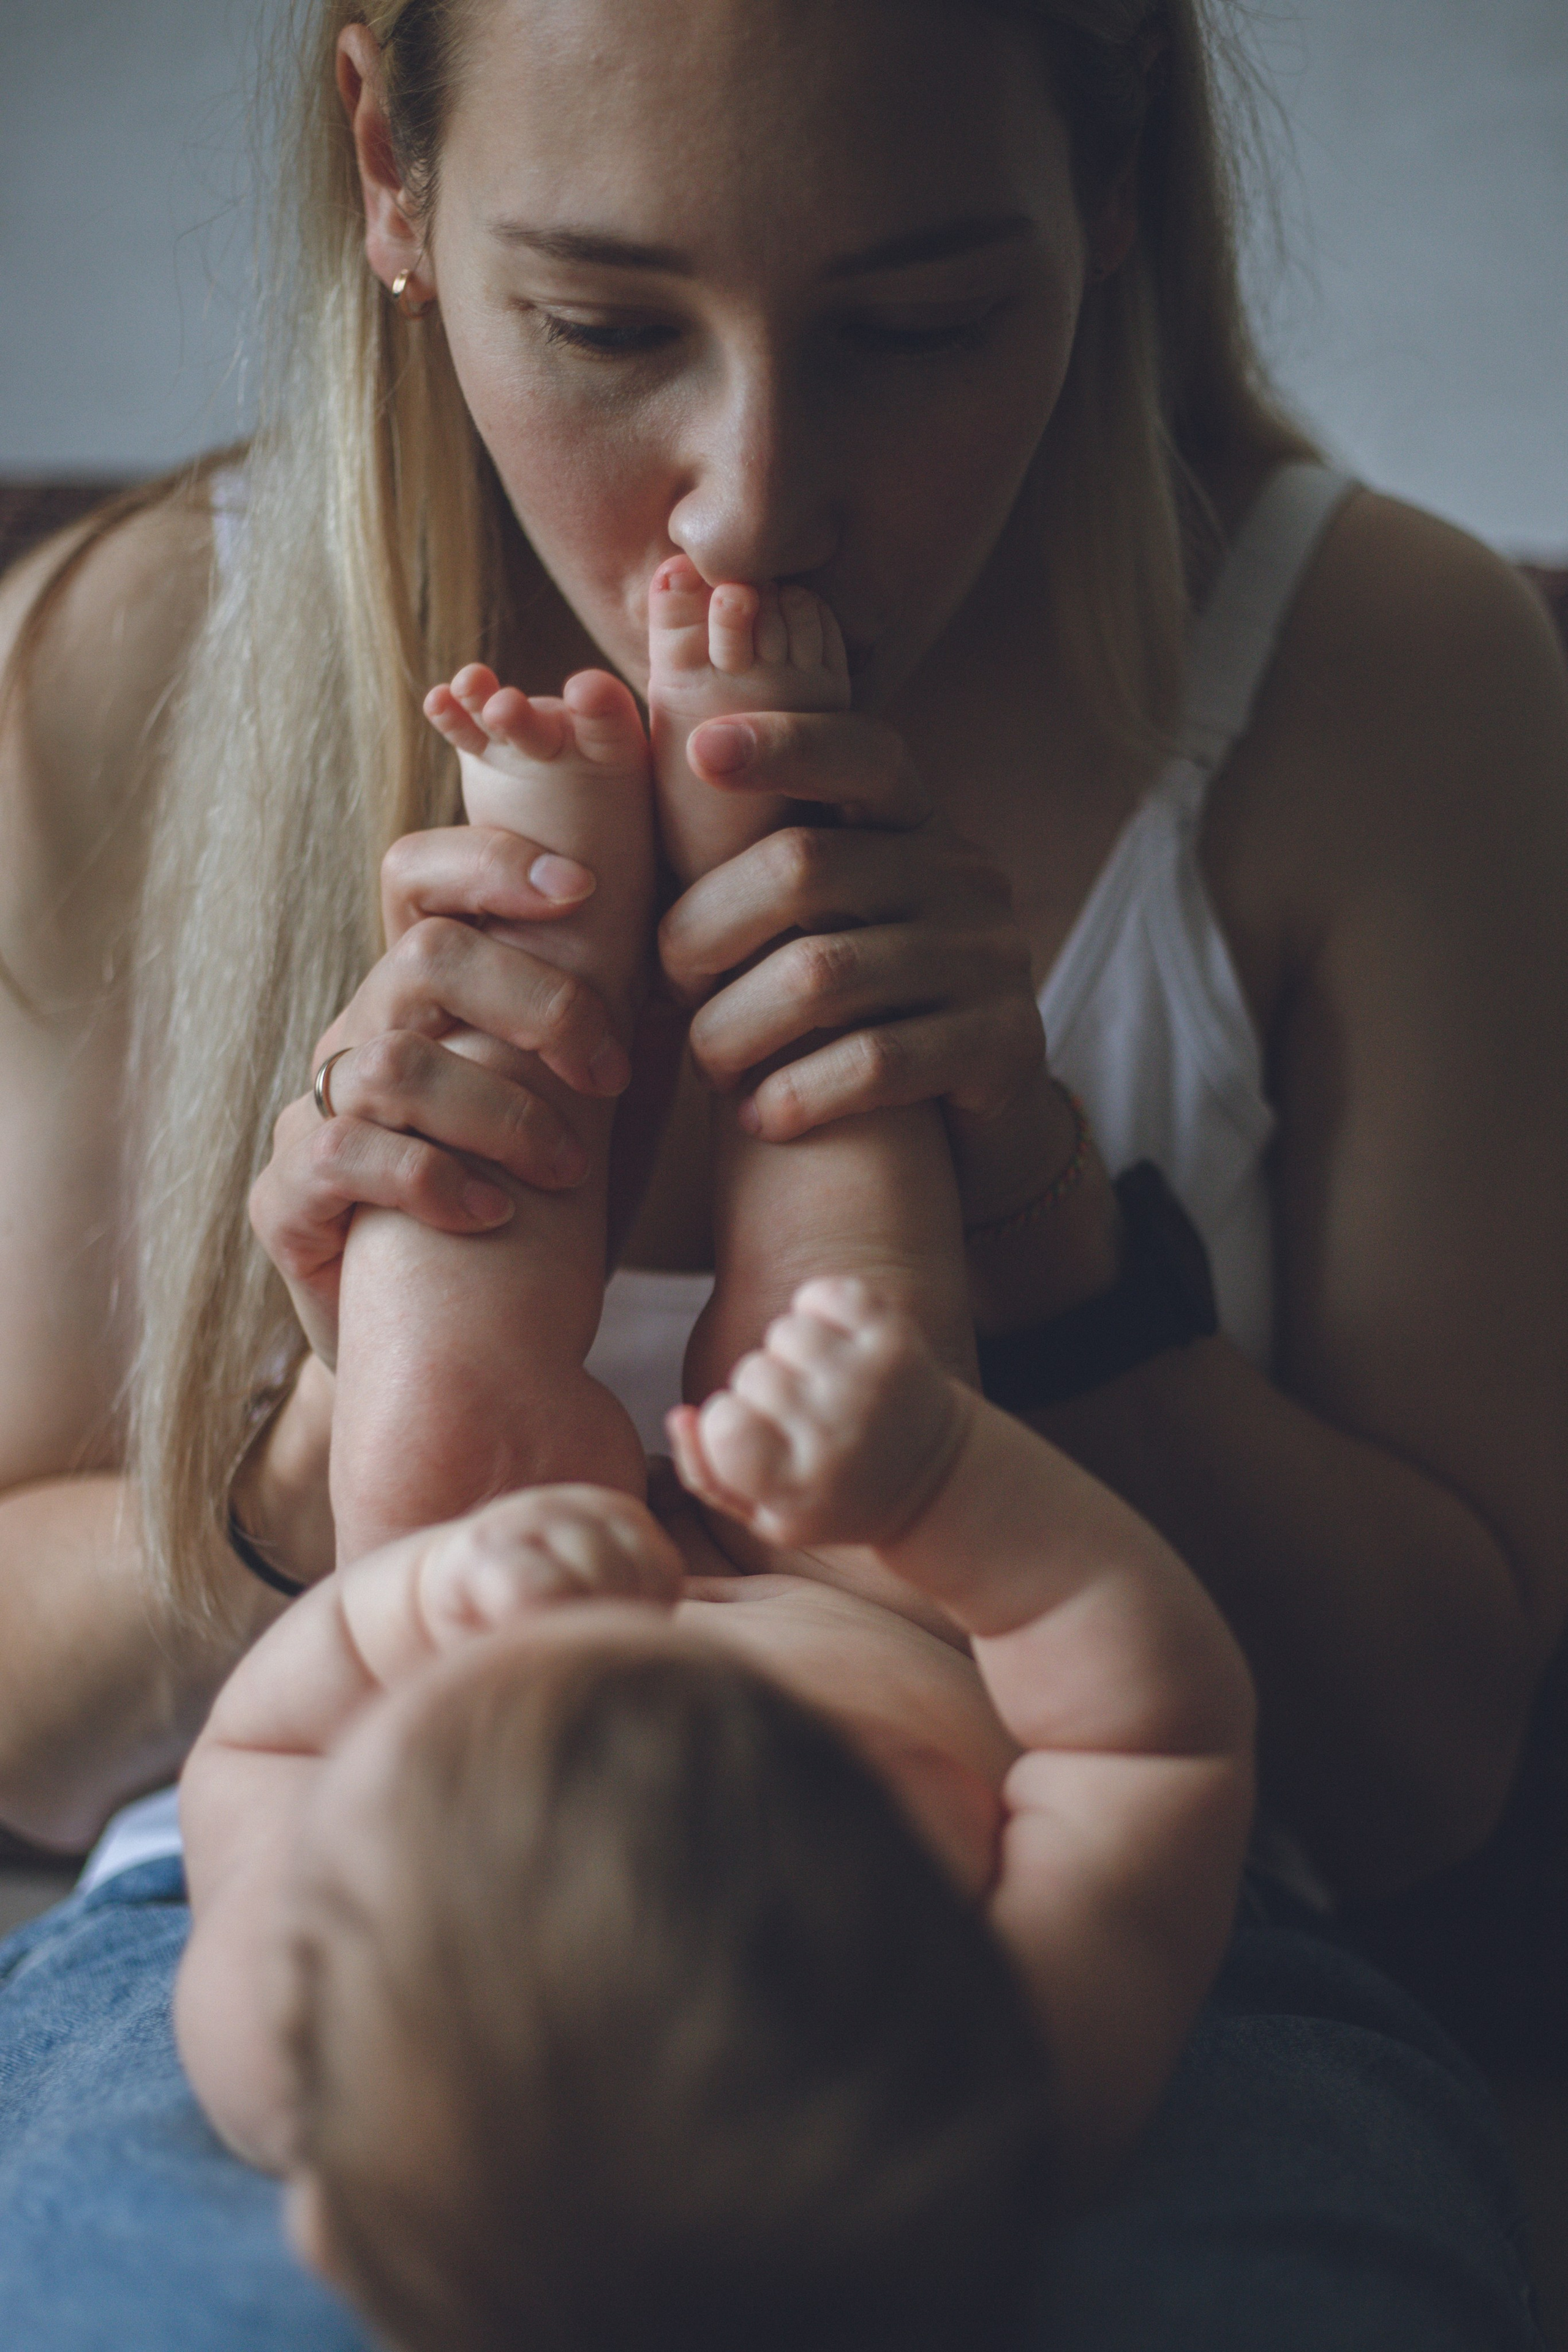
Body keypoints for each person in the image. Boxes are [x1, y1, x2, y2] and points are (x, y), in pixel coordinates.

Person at [0, 0, 1563, 2339]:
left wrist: (1033, 1225)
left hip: (1037, 1918)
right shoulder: (127, 661)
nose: (749, 500)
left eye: (920, 321)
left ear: (1111, 183)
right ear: (390, 173)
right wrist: (346, 1467)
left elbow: (1431, 1769)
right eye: (607, 322)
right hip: (326, 1893)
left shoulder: (1388, 677)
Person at [176, 1273, 1254, 2349]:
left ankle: (470, 1157)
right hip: (865, 1585)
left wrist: (420, 1598)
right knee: (838, 1264)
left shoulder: (294, 2050)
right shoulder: (1020, 2075)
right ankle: (816, 1109)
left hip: (495, 1562)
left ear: (318, 2222)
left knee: (441, 1388)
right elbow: (1154, 1734)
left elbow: (260, 1748)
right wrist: (935, 1481)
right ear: (938, 1809)